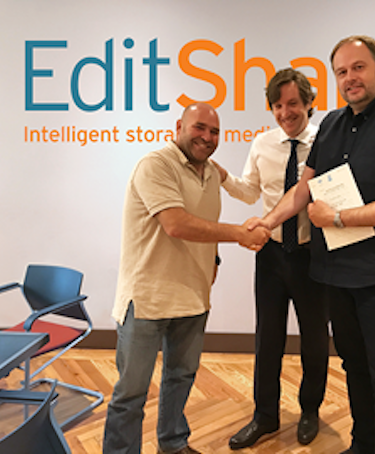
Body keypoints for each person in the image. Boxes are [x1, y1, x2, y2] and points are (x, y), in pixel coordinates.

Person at [249, 36, 375, 454]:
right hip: (337, 274)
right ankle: (362, 445)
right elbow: (304, 189)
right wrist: (267, 221)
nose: (350, 77)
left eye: (358, 67)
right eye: (342, 71)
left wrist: (337, 217)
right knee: (354, 368)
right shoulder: (332, 124)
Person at [102, 103, 270, 454]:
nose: (207, 137)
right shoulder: (155, 165)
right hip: (147, 301)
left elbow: (210, 218)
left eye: (214, 132)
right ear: (178, 127)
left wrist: (215, 258)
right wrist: (240, 235)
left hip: (193, 297)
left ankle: (173, 443)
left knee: (180, 378)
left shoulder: (211, 173)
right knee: (131, 394)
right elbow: (176, 224)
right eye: (199, 128)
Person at [214, 68, 330, 450]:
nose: (285, 113)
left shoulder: (326, 141)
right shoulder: (262, 143)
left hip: (314, 256)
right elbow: (250, 192)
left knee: (315, 339)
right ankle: (265, 416)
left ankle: (310, 411)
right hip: (271, 254)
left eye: (293, 103)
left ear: (309, 102)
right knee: (267, 339)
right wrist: (223, 176)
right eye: (277, 106)